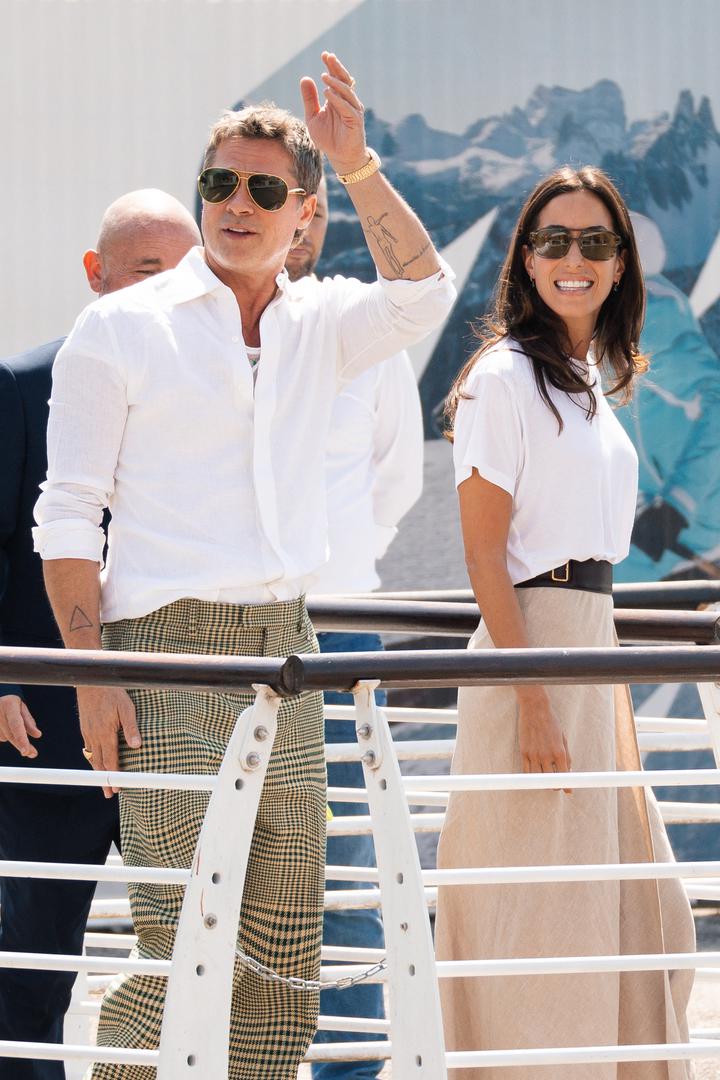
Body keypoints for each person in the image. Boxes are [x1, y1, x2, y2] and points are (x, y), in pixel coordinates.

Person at [33, 51, 455, 1080]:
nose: (237, 203)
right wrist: (91, 675)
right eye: (220, 181)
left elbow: (424, 291)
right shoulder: (120, 326)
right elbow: (69, 512)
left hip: (289, 652)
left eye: (266, 190)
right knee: (178, 939)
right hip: (164, 655)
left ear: (304, 217)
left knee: (281, 960)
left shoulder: (324, 319)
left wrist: (358, 166)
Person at [434, 166, 695, 1080]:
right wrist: (533, 697)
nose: (572, 258)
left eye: (594, 241)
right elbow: (484, 557)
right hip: (534, 661)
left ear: (620, 264)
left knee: (637, 918)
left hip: (590, 656)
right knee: (542, 931)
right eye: (552, 241)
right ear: (527, 259)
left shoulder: (584, 380)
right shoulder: (504, 379)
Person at [0, 189, 201, 1080]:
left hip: (180, 725)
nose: (170, 292)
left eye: (186, 274)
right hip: (42, 731)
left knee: (196, 959)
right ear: (96, 274)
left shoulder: (213, 392)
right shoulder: (20, 386)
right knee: (32, 970)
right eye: (148, 271)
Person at [286, 177, 424, 1080]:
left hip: (335, 636)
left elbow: (396, 480)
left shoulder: (365, 331)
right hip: (220, 635)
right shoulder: (197, 331)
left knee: (342, 869)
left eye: (305, 202)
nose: (290, 220)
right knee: (222, 865)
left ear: (320, 217)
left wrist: (331, 573)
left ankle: (349, 1071)